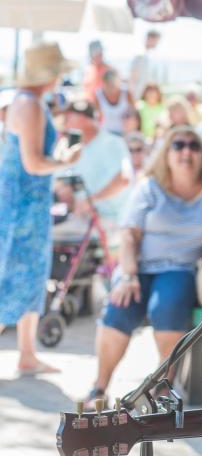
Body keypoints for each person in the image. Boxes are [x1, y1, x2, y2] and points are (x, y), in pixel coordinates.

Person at [85, 125, 202, 406]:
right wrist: (127, 275)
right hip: (138, 266)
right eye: (179, 145)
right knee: (119, 307)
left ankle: (164, 387)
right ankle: (99, 388)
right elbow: (129, 234)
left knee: (167, 305)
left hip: (181, 268)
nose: (186, 151)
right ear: (167, 153)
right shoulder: (150, 186)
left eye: (193, 146)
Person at [0, 42, 81, 374]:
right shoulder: (30, 104)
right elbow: (33, 164)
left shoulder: (26, 102)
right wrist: (64, 160)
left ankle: (27, 354)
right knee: (13, 278)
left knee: (29, 278)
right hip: (23, 207)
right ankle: (26, 354)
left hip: (23, 205)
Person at [61, 100, 132, 226]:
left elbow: (124, 178)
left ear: (85, 119)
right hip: (83, 219)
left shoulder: (112, 143)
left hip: (111, 220)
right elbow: (61, 182)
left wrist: (91, 201)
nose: (66, 124)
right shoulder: (72, 147)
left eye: (69, 118)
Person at [94, 69, 134, 136]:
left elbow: (134, 113)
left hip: (125, 133)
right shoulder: (98, 95)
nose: (111, 87)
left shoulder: (127, 93)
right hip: (106, 132)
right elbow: (96, 117)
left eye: (113, 84)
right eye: (108, 83)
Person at [128, 29, 161, 100]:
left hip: (144, 97)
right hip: (137, 96)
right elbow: (133, 77)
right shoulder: (139, 55)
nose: (156, 43)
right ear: (150, 39)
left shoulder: (147, 56)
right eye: (156, 40)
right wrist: (132, 97)